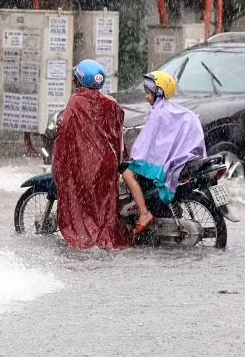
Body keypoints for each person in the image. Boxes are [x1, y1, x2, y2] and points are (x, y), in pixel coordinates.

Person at [51, 59, 132, 249]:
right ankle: (103, 237)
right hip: (107, 163)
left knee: (79, 200)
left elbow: (66, 132)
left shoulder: (76, 101)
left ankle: (86, 235)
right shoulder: (110, 103)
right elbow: (118, 133)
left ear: (78, 80)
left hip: (85, 162)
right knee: (105, 204)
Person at [123, 70, 207, 235]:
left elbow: (149, 145)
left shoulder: (159, 113)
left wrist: (133, 157)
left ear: (158, 92)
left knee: (127, 173)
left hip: (168, 161)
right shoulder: (176, 110)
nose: (146, 97)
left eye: (148, 93)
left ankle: (144, 214)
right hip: (186, 156)